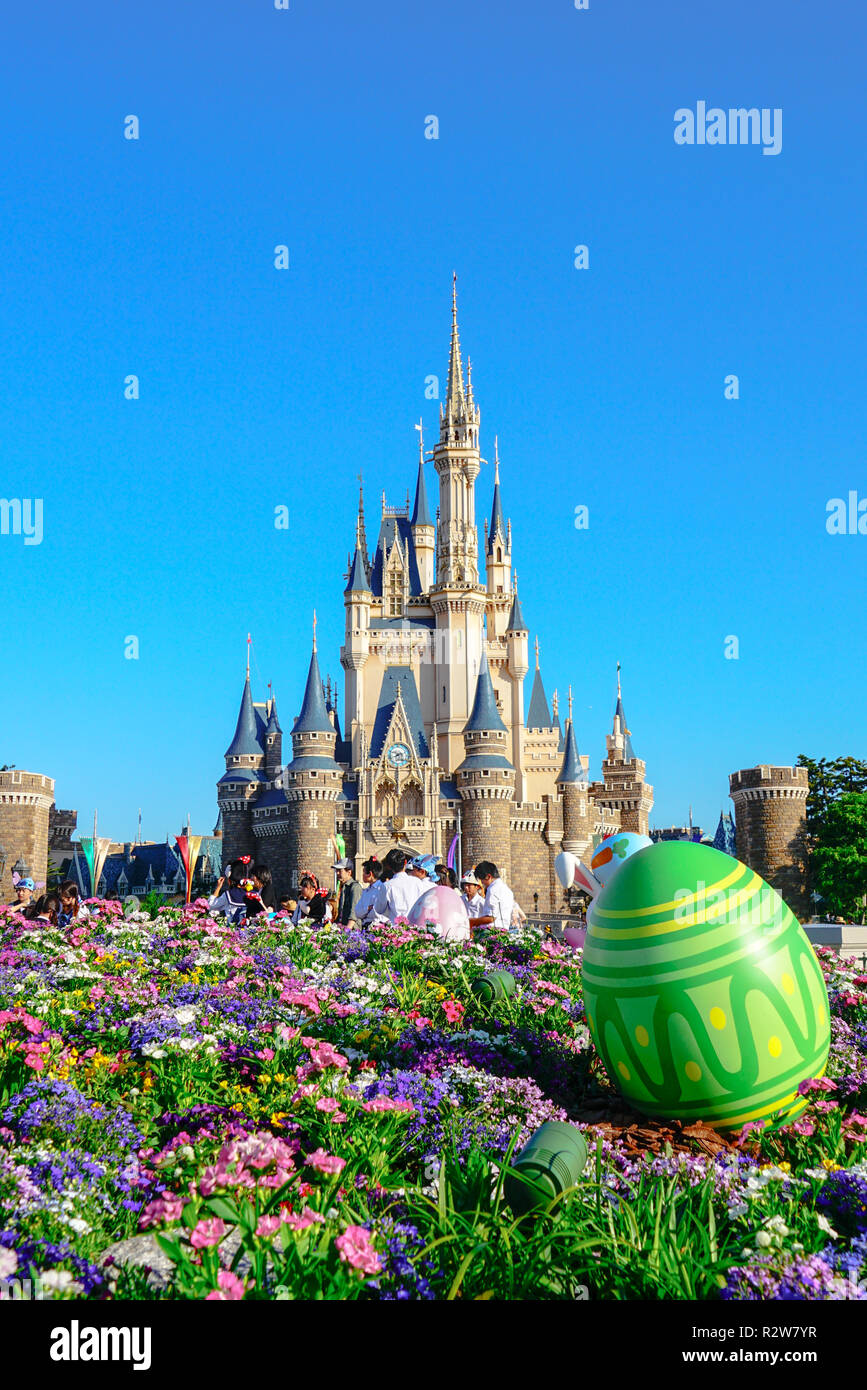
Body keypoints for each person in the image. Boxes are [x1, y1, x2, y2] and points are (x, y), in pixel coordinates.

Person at [381, 848, 428, 924]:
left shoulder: (386, 886)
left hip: (395, 930)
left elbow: (379, 909)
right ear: (405, 862)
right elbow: (423, 905)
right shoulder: (417, 882)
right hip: (414, 928)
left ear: (389, 866)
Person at [469, 861, 516, 935]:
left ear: (488, 877)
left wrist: (472, 921)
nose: (482, 883)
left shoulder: (492, 889)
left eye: (481, 879)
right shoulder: (507, 889)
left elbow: (491, 918)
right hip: (504, 930)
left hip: (492, 932)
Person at [357, 857, 387, 926]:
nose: (362, 875)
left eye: (364, 872)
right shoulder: (366, 891)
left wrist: (365, 911)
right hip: (366, 926)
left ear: (370, 874)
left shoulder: (382, 889)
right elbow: (357, 912)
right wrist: (368, 908)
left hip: (379, 927)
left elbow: (377, 912)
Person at [333, 858, 363, 927]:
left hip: (352, 930)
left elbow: (354, 912)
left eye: (340, 871)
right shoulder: (344, 887)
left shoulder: (355, 887)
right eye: (337, 870)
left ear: (349, 872)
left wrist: (347, 930)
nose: (337, 873)